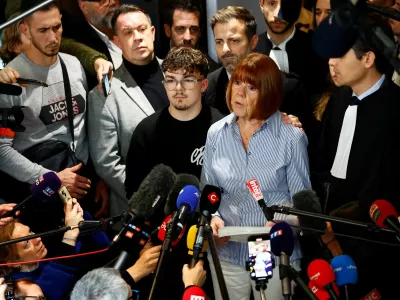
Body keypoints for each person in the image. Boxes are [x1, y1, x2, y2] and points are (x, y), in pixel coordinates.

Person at [201, 53, 310, 300]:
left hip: (271, 251)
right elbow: (209, 192)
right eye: (237, 83)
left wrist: (283, 224)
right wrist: (214, 219)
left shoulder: (290, 138)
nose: (239, 93)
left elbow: (303, 205)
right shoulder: (216, 133)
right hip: (227, 250)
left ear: (269, 94)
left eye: (251, 87)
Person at [315, 15, 400, 299]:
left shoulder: (396, 109)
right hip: (327, 240)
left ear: (368, 59)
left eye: (340, 53)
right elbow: (323, 161)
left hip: (378, 248)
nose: (331, 60)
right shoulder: (338, 100)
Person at [88, 4, 169, 217]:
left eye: (142, 29)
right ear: (117, 42)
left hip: (187, 198)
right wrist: (149, 196)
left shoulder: (177, 76)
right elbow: (107, 162)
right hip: (137, 209)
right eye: (128, 32)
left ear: (152, 33)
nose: (137, 37)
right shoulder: (103, 94)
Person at [124, 46, 223, 197]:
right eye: (171, 80)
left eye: (188, 80)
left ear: (203, 85)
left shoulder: (222, 128)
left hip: (210, 218)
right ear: (164, 85)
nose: (178, 88)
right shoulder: (146, 131)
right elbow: (134, 191)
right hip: (160, 220)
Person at [205, 5, 313, 133]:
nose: (225, 49)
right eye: (219, 42)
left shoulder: (286, 87)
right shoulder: (209, 85)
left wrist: (295, 129)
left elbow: (309, 142)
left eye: (234, 41)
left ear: (253, 42)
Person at [0, 199, 84, 300]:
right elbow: (55, 280)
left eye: (30, 232)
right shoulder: (20, 289)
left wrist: (79, 216)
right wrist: (71, 233)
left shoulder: (38, 261)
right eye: (27, 244)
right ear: (13, 262)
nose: (38, 239)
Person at [256, 0, 326, 96]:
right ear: (261, 4)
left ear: (299, 6)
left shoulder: (317, 51)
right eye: (272, 3)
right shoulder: (250, 49)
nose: (277, 15)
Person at [162, 0, 220, 71]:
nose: (187, 38)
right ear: (167, 30)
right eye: (180, 29)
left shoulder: (214, 76)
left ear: (200, 32)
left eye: (194, 29)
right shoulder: (158, 71)